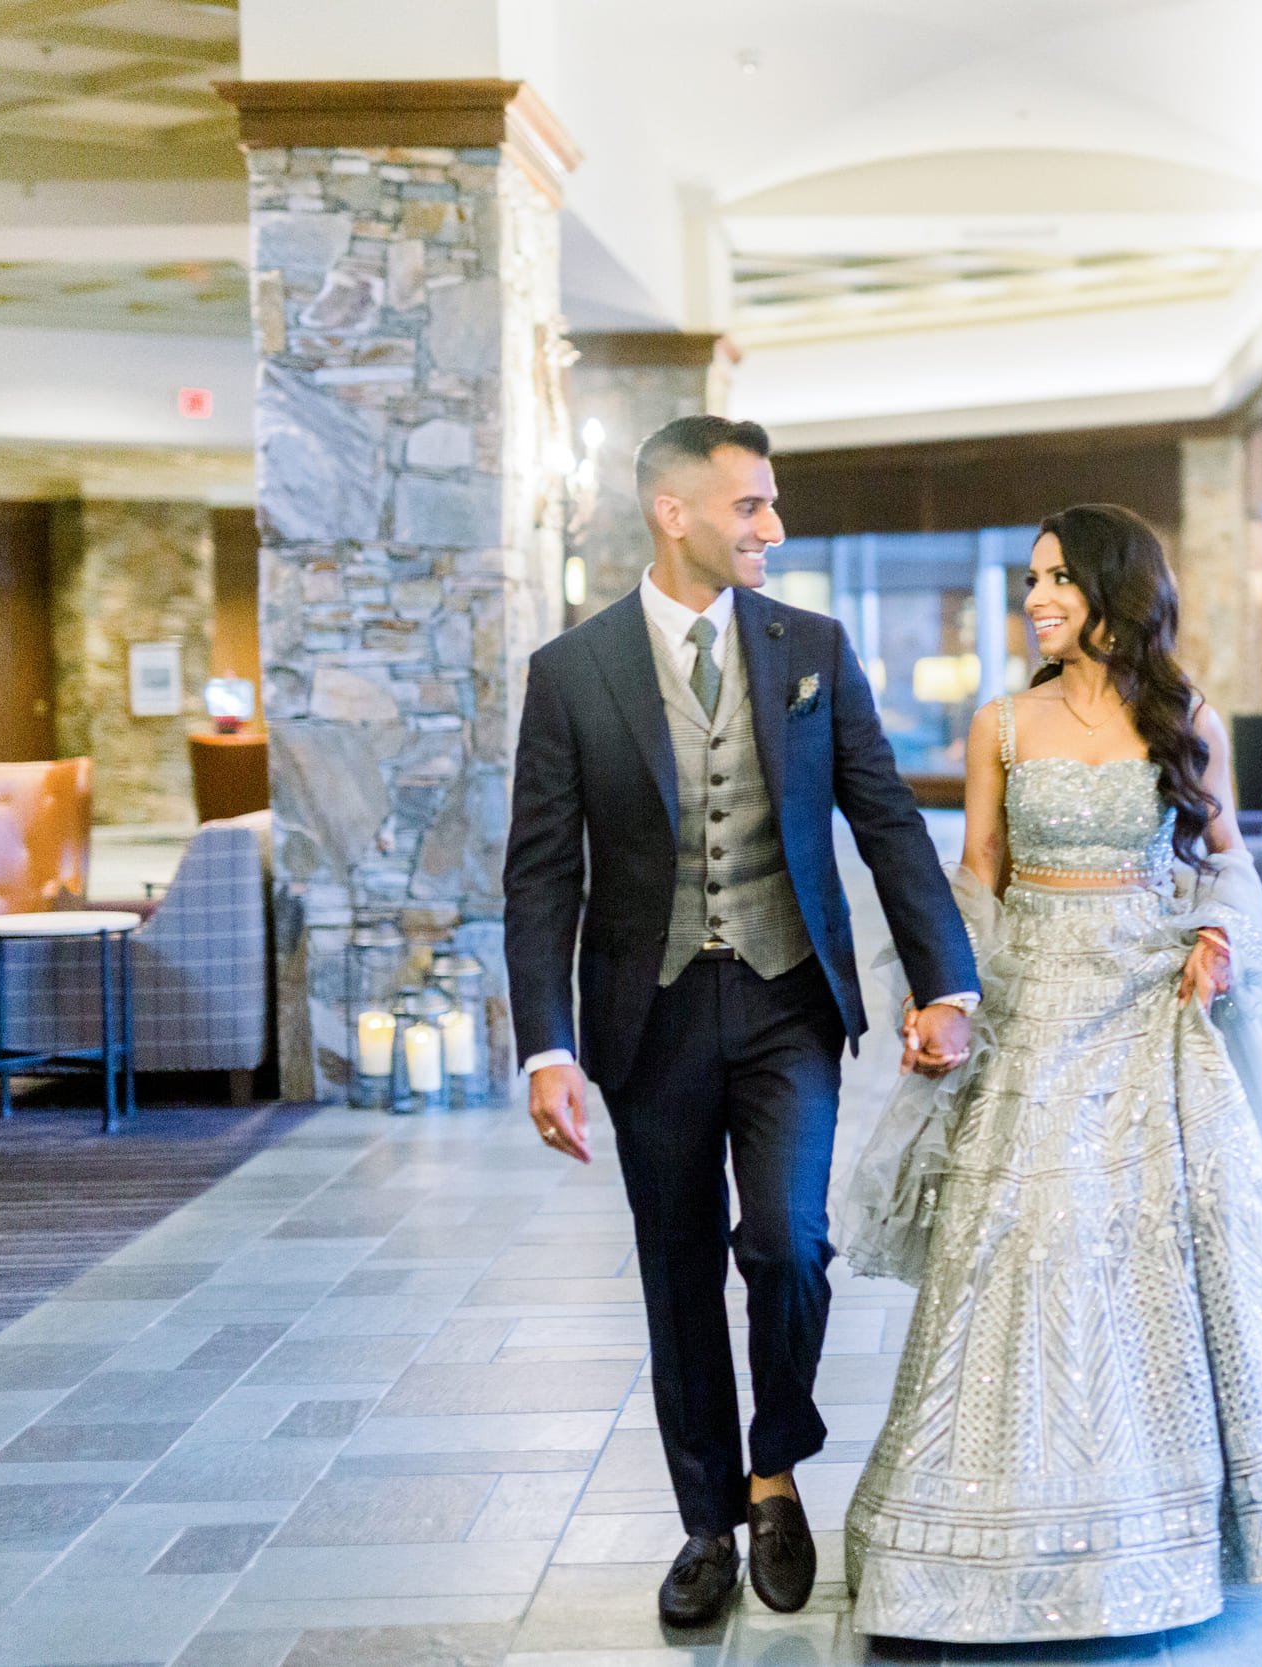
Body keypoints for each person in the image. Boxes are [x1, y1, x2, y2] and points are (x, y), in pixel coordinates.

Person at [835, 503, 1262, 1643]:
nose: (1035, 599)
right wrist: (945, 998)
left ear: (1114, 590)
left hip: (1152, 1010)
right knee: (1020, 1239)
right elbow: (979, 878)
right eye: (1030, 582)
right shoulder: (1001, 722)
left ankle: (1178, 1517)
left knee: (1161, 1250)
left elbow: (1222, 860)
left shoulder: (1183, 716)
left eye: (1056, 578)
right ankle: (975, 1525)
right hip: (1038, 1009)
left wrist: (1217, 939)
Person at [502, 415, 980, 1629]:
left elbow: (882, 819)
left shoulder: (809, 645)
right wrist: (545, 1043)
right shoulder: (573, 671)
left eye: (771, 505)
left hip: (785, 1001)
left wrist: (945, 980)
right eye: (751, 505)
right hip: (644, 1016)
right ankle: (707, 1523)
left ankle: (776, 1465)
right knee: (674, 1275)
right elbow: (542, 874)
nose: (773, 526)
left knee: (784, 1242)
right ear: (677, 513)